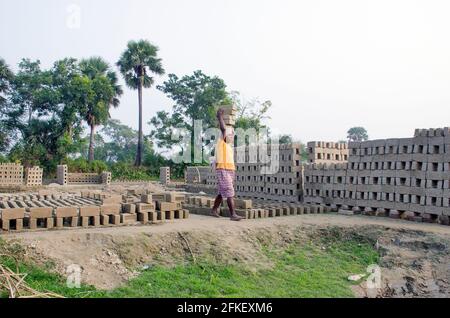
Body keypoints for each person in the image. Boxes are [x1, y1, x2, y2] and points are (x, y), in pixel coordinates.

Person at [211, 108, 243, 221]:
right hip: (223, 169)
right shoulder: (222, 142)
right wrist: (219, 116)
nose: (231, 136)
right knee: (229, 191)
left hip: (230, 170)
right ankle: (232, 214)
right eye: (230, 134)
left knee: (221, 192)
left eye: (232, 135)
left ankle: (214, 209)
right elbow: (223, 128)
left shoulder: (229, 146)